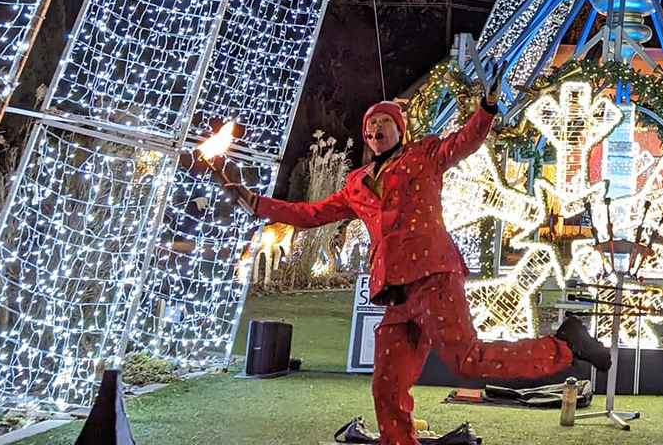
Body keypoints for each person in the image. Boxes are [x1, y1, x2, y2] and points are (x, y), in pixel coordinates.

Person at [226, 82, 610, 445]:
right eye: (371, 124)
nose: (376, 127)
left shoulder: (423, 155)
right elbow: (311, 214)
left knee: (466, 360)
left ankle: (563, 345)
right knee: (386, 386)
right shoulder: (356, 184)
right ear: (366, 136)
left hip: (433, 275)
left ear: (400, 131)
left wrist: (487, 108)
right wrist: (256, 203)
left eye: (385, 122)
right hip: (395, 294)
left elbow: (464, 142)